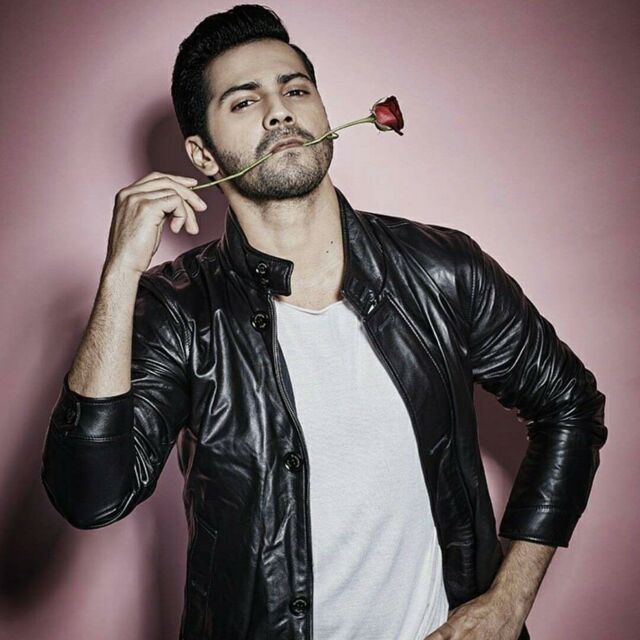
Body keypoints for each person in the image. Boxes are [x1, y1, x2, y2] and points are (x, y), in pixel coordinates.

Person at [40, 5, 607, 640]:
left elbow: (570, 406)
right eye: (244, 101)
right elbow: (91, 497)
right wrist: (119, 275)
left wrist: (509, 601)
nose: (280, 112)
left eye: (295, 90)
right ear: (202, 154)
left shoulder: (442, 269)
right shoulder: (177, 310)